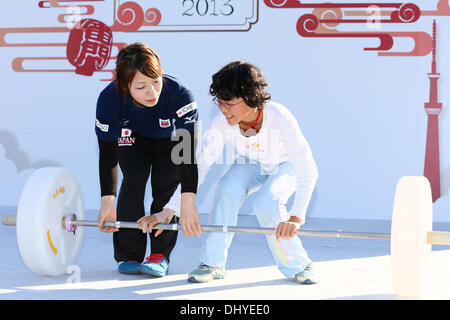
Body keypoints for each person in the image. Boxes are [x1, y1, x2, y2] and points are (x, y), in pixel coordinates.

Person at [187, 60, 319, 284]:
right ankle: (213, 262)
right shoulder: (222, 123)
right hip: (251, 162)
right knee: (227, 189)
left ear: (253, 98)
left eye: (229, 103)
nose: (223, 109)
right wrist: (180, 204)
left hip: (285, 165)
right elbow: (201, 165)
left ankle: (299, 264)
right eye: (219, 102)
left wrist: (296, 216)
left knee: (266, 203)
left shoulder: (280, 117)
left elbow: (307, 167)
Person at [94, 42, 202, 277]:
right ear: (124, 87)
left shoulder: (180, 95)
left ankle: (159, 255)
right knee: (133, 181)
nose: (152, 93)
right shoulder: (108, 101)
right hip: (133, 138)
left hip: (170, 141)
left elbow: (188, 154)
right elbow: (107, 154)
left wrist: (187, 201)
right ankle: (129, 254)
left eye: (156, 82)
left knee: (166, 186)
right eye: (141, 87)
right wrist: (106, 203)